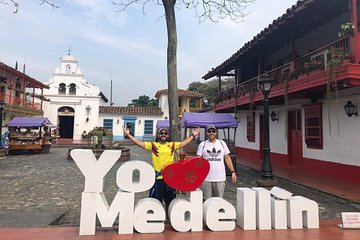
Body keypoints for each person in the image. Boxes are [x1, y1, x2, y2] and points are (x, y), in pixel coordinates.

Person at [122, 125, 200, 216]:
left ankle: (169, 219)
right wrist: (128, 135)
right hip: (157, 179)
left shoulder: (172, 145)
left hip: (170, 179)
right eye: (161, 133)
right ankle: (155, 219)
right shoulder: (153, 146)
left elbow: (183, 143)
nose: (163, 135)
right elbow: (139, 143)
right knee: (155, 202)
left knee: (170, 202)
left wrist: (193, 136)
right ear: (158, 135)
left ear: (168, 136)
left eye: (165, 133)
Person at [196, 125, 237, 200]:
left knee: (219, 200)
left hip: (220, 178)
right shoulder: (202, 144)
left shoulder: (222, 143)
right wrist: (198, 175)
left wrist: (233, 172)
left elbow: (227, 158)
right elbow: (198, 161)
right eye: (209, 131)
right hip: (206, 178)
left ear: (216, 132)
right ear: (206, 133)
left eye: (213, 131)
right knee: (206, 200)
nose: (211, 133)